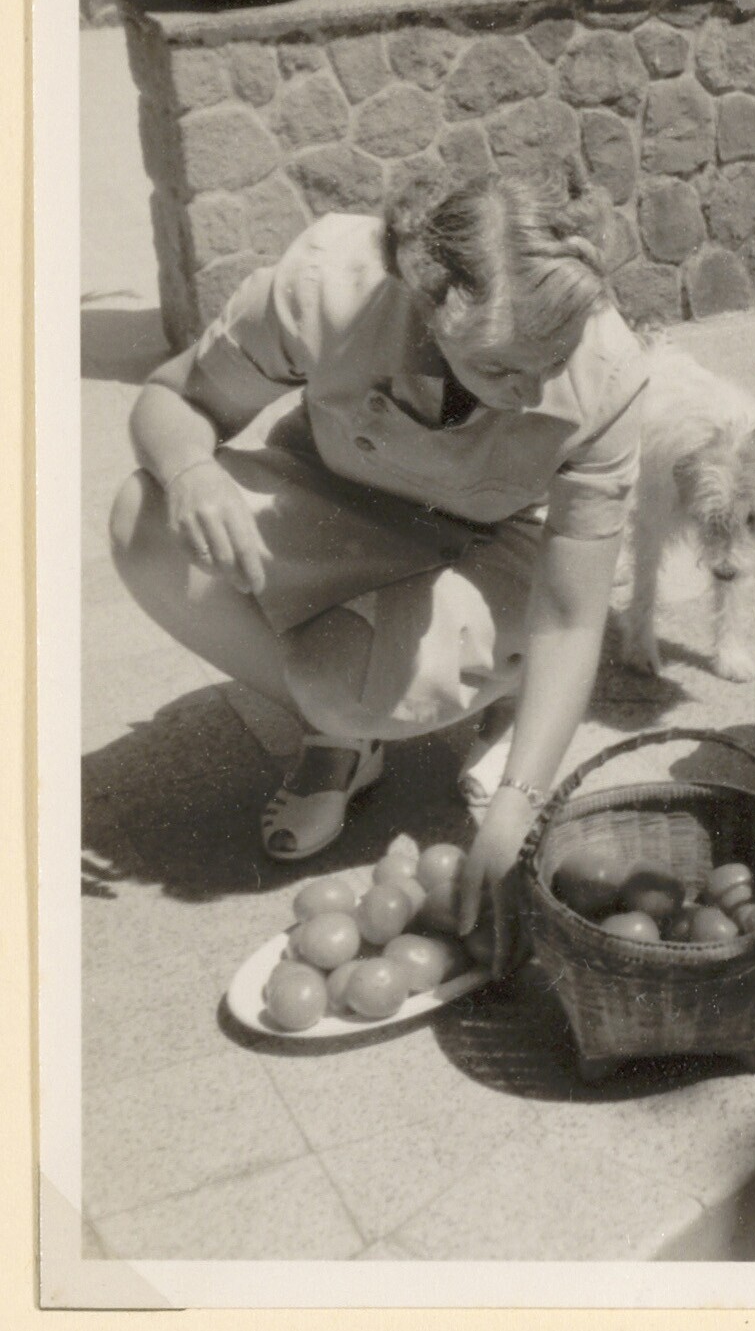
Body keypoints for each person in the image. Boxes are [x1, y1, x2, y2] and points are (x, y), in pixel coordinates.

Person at [110, 172, 648, 969]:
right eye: (503, 369)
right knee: (144, 522)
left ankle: (498, 699)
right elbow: (172, 399)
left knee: (342, 676)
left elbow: (572, 617)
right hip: (344, 503)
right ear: (430, 304)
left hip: (498, 548)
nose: (535, 392)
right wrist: (190, 471)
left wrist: (519, 801)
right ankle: (343, 734)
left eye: (552, 362)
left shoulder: (608, 371)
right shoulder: (332, 282)